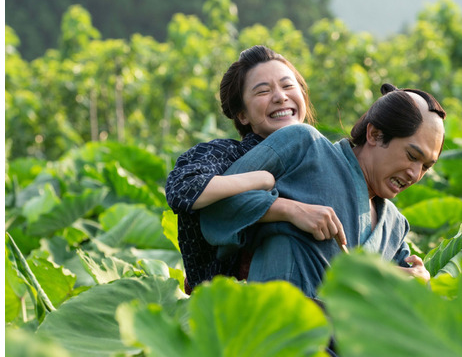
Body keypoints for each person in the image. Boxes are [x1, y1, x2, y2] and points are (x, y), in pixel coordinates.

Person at [199, 84, 446, 298]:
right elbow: (214, 205)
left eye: (425, 166)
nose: (415, 174)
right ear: (375, 134)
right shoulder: (305, 146)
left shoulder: (394, 226)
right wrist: (288, 209)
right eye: (412, 156)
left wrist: (417, 280)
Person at [166, 45, 346, 293]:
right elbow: (182, 188)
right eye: (263, 91)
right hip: (230, 310)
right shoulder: (227, 154)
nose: (280, 96)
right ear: (242, 115)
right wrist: (262, 181)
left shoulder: (324, 162)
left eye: (288, 86)